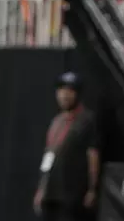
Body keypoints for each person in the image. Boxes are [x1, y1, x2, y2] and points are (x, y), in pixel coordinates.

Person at [33, 72, 99, 221]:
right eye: (62, 91)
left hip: (72, 193)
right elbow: (48, 155)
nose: (65, 95)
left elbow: (93, 153)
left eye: (70, 91)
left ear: (77, 94)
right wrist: (41, 189)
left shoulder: (87, 120)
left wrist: (92, 188)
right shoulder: (56, 122)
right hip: (50, 193)